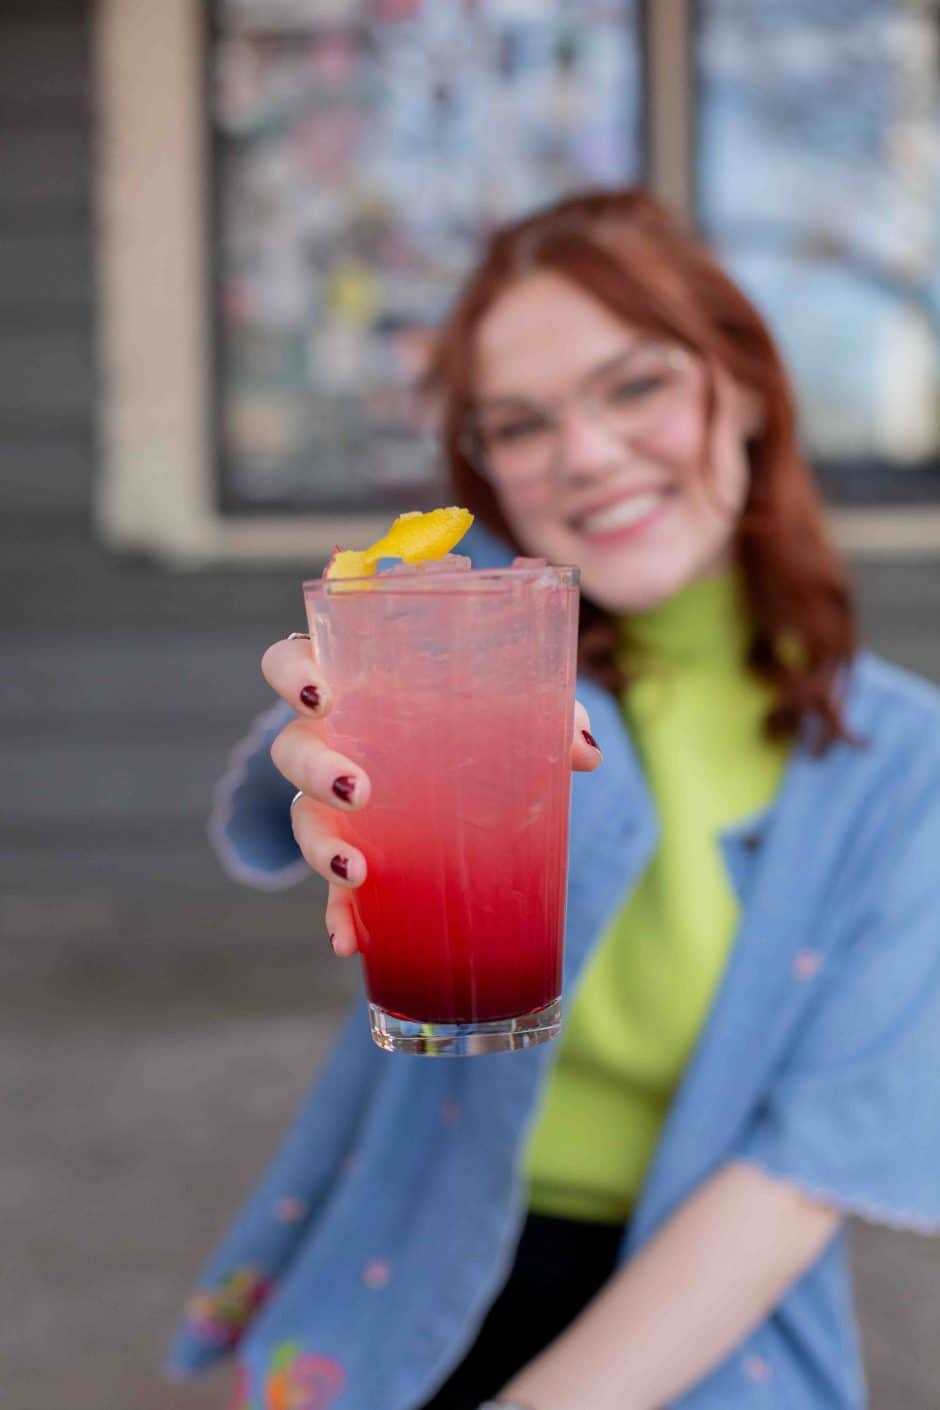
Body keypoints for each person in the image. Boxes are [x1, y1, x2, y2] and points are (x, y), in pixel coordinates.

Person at [168, 190, 940, 1410]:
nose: (582, 454)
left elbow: (799, 1174)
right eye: (520, 425)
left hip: (699, 1323)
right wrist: (324, 758)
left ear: (744, 387)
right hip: (392, 1285)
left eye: (634, 386)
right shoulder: (474, 651)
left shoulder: (906, 764)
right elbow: (302, 769)